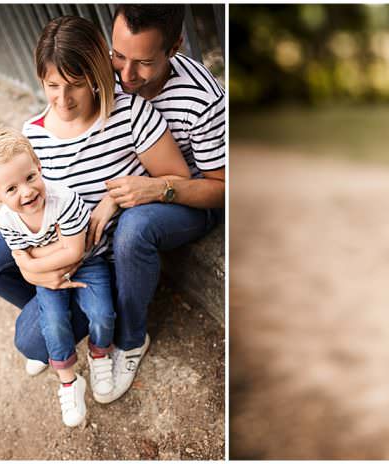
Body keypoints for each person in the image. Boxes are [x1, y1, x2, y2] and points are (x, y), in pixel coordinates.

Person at [0, 16, 191, 405]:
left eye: (75, 86)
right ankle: (56, 312)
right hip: (56, 244)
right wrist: (42, 268)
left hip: (97, 257)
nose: (63, 99)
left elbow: (176, 177)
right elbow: (32, 201)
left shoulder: (131, 115)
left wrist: (115, 198)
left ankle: (75, 329)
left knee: (29, 341)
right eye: (52, 86)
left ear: (96, 75)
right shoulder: (33, 132)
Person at [75, 4, 223, 402]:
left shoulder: (205, 102)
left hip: (187, 198)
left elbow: (221, 188)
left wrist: (157, 190)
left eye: (142, 63)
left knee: (134, 229)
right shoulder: (110, 71)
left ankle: (131, 338)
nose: (124, 76)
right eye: (118, 56)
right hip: (130, 188)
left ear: (175, 46)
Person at [0, 127, 116, 426]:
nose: (26, 192)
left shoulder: (63, 200)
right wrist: (35, 265)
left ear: (38, 167)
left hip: (89, 264)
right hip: (46, 275)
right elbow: (21, 259)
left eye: (29, 178)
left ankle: (100, 354)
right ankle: (68, 381)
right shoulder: (6, 219)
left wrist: (31, 262)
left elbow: (74, 252)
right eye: (11, 189)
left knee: (102, 313)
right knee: (52, 321)